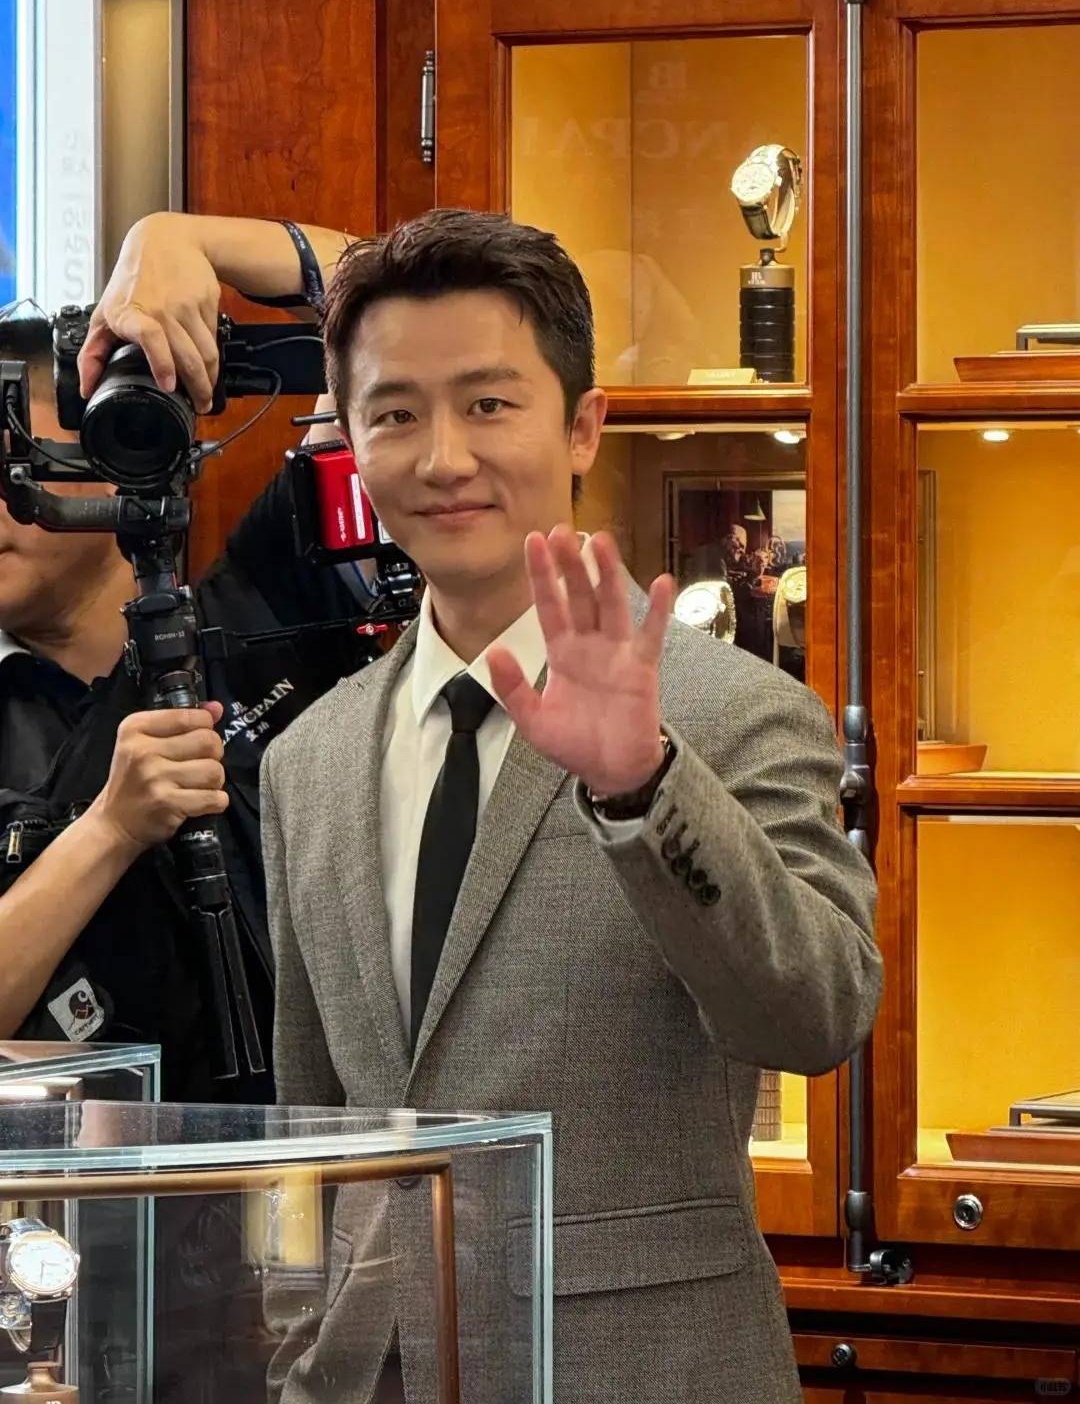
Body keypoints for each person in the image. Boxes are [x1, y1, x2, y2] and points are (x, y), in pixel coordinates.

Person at [87, 208, 882, 1404]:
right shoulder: (310, 759)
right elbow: (315, 1125)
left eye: (490, 404)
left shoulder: (732, 712)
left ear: (583, 426)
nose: (444, 458)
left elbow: (817, 1015)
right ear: (351, 441)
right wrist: (299, 1341)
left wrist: (643, 782)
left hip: (639, 1372)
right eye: (395, 414)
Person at [0, 283, 378, 1105]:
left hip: (354, 1134)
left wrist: (182, 248)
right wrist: (110, 827)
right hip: (124, 1170)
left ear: (118, 431)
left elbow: (394, 312)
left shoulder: (259, 598)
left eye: (14, 449)